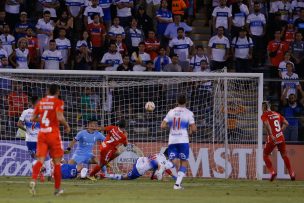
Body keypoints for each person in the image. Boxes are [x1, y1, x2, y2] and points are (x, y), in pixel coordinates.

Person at [29, 84, 71, 196]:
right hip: (53, 133)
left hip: (42, 134)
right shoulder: (58, 102)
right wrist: (67, 126)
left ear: (48, 91)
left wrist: (43, 119)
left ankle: (33, 180)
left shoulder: (41, 102)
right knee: (57, 163)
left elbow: (32, 118)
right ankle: (57, 190)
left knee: (40, 160)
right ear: (58, 92)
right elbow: (59, 117)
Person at [161, 94, 197, 189]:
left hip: (172, 140)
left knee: (173, 160)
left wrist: (171, 127)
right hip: (183, 140)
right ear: (186, 102)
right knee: (184, 161)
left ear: (177, 101)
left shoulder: (171, 112)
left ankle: (164, 166)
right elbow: (193, 129)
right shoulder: (189, 113)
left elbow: (162, 126)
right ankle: (177, 185)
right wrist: (190, 131)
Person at [261, 101, 295, 181]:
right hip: (281, 137)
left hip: (272, 138)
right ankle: (291, 173)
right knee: (284, 155)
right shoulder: (277, 114)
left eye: (262, 107)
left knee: (265, 155)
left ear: (264, 107)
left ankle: (272, 172)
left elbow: (267, 124)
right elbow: (286, 123)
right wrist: (280, 132)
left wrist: (271, 134)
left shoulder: (264, 115)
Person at [106, 148, 176, 181]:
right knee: (125, 178)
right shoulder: (164, 160)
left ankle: (153, 177)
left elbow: (163, 167)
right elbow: (162, 168)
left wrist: (174, 177)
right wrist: (162, 178)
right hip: (139, 168)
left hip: (140, 160)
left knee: (157, 166)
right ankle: (106, 176)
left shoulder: (159, 154)